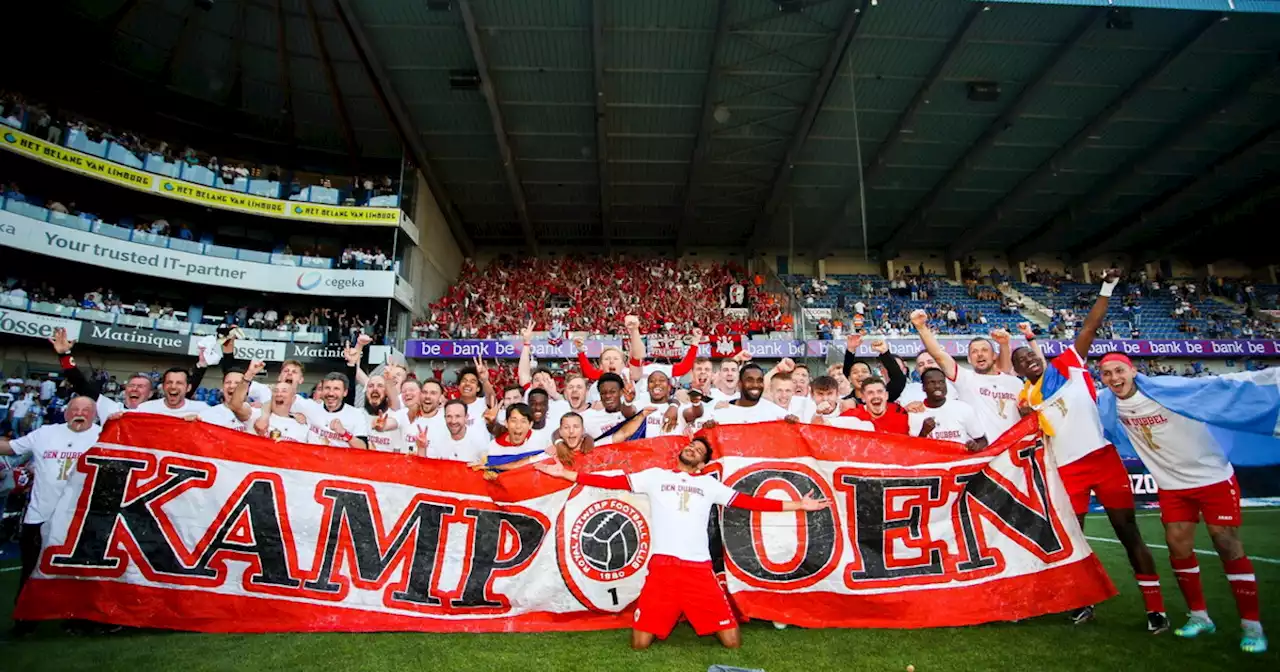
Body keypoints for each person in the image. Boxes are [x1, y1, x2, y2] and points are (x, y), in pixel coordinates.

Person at [532, 437, 830, 649]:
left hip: (698, 571)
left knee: (732, 642)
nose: (692, 448)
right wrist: (567, 475)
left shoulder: (708, 485)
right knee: (639, 644)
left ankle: (692, 613)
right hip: (662, 570)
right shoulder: (655, 477)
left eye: (699, 450)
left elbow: (749, 502)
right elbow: (612, 481)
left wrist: (798, 505)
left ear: (702, 463)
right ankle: (671, 614)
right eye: (690, 445)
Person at [1013, 272, 1168, 632]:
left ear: (1040, 358)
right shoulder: (1026, 399)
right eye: (1020, 361)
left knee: (1128, 532)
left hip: (1101, 459)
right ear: (1018, 370)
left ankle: (1155, 608)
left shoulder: (1068, 363)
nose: (1028, 361)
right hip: (1067, 470)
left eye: (1030, 356)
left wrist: (1106, 289)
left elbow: (1091, 326)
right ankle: (1084, 602)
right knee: (1076, 540)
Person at [1098, 353, 1271, 653]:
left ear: (1133, 371)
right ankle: (1200, 616)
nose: (1114, 378)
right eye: (1106, 373)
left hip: (1212, 477)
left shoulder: (1172, 390)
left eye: (1119, 371)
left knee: (1226, 544)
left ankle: (1252, 626)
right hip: (1172, 485)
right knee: (1178, 547)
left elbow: (1224, 388)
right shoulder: (1107, 405)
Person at [0, 396, 100, 637]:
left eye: (86, 410)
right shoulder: (45, 433)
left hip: (79, 518)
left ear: (94, 415)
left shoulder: (102, 435)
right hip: (39, 515)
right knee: (31, 570)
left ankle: (77, 619)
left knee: (79, 572)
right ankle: (25, 621)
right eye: (75, 408)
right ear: (65, 413)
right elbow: (10, 448)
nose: (80, 413)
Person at [912, 311, 1021, 441]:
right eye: (974, 352)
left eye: (984, 350)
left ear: (994, 356)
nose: (979, 354)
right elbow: (938, 355)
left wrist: (1004, 345)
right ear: (969, 359)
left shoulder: (1016, 383)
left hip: (1013, 453)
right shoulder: (965, 379)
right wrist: (921, 327)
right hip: (983, 452)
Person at [908, 369, 987, 451]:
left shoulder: (963, 408)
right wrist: (923, 432)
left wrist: (975, 447)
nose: (937, 386)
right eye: (932, 382)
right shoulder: (914, 414)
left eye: (941, 382)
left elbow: (982, 441)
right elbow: (913, 451)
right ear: (923, 387)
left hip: (960, 461)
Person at [699, 363, 794, 429]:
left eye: (759, 380)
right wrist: (708, 428)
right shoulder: (721, 412)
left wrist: (793, 422)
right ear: (740, 383)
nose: (755, 385)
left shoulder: (776, 412)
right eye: (750, 380)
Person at [297, 372, 368, 449]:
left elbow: (363, 447)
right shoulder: (311, 406)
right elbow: (285, 399)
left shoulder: (356, 414)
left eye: (336, 389)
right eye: (327, 388)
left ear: (345, 392)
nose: (331, 393)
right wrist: (294, 415)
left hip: (340, 459)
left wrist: (344, 433)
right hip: (312, 458)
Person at [197, 360, 263, 431]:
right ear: (222, 387)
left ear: (247, 389)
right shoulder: (207, 415)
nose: (231, 386)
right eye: (228, 382)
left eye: (238, 383)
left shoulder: (257, 414)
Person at [420, 399, 486, 462]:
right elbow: (426, 468)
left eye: (458, 416)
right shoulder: (437, 438)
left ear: (466, 417)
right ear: (444, 418)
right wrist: (422, 448)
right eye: (449, 416)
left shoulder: (479, 440)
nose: (453, 421)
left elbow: (491, 469)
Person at [840, 377, 908, 434]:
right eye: (870, 393)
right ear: (863, 398)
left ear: (886, 395)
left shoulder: (900, 413)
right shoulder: (852, 415)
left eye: (880, 392)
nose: (876, 396)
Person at [135, 368, 211, 418]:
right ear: (163, 386)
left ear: (188, 388)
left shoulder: (202, 410)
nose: (173, 386)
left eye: (179, 383)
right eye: (169, 382)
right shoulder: (145, 409)